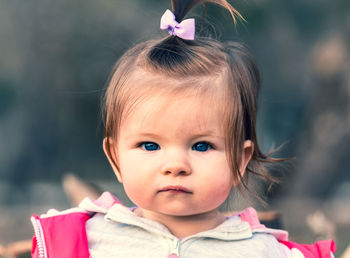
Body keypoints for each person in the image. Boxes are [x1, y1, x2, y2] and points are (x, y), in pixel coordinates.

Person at [30, 0, 336, 257]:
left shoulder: (262, 250)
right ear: (115, 157)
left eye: (201, 145)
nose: (176, 166)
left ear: (240, 160)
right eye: (150, 145)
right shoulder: (84, 241)